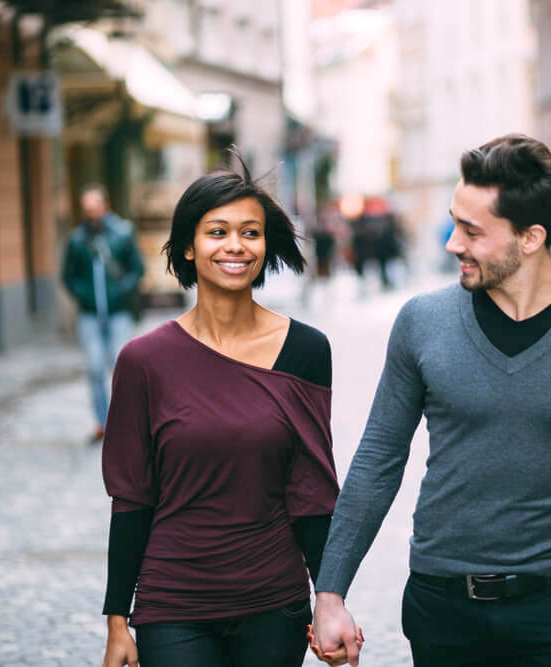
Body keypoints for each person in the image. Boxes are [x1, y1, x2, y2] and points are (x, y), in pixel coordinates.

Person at [310, 134, 551, 667]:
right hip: (443, 608)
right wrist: (330, 592)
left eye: (472, 231)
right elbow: (378, 459)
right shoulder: (421, 323)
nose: (453, 243)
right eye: (455, 222)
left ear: (530, 238)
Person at [99, 154, 343, 667]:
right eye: (217, 231)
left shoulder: (306, 350)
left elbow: (312, 492)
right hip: (173, 603)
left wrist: (330, 598)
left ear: (265, 245)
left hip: (273, 602)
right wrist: (117, 620)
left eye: (250, 233)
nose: (235, 245)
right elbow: (131, 498)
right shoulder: (143, 361)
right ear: (189, 245)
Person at [61, 184, 145, 442]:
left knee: (121, 366)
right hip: (89, 315)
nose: (91, 212)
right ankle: (103, 422)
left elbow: (137, 269)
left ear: (105, 206)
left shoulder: (122, 233)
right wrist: (83, 294)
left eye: (95, 207)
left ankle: (125, 421)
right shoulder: (76, 240)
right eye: (87, 208)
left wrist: (122, 290)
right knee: (95, 368)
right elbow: (68, 276)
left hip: (119, 312)